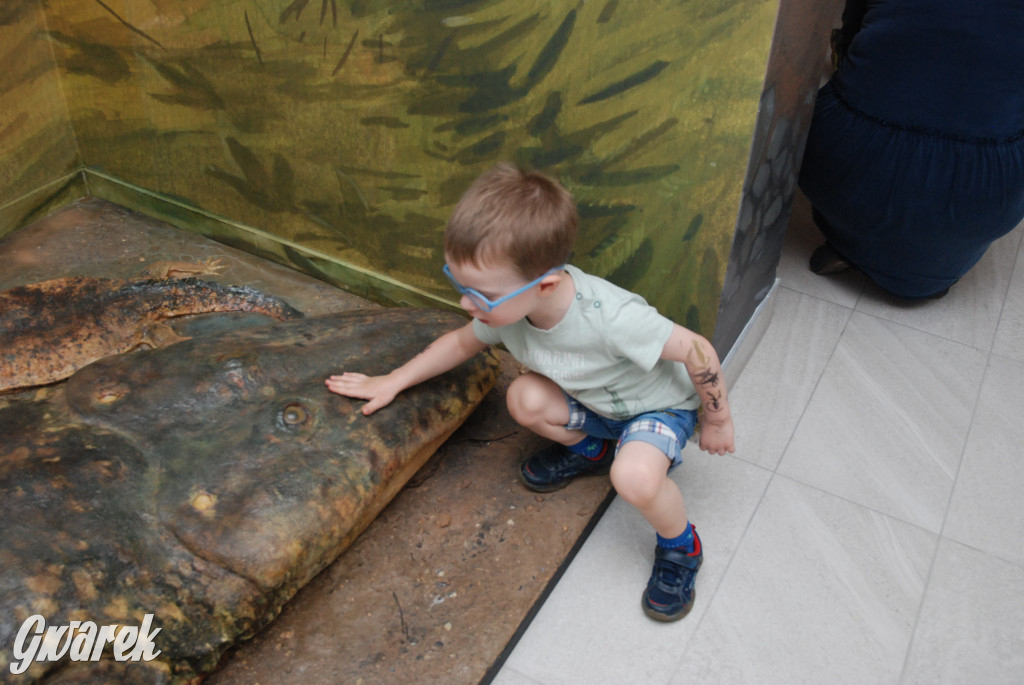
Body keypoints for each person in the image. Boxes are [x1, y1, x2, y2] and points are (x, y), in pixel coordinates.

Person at [325, 162, 735, 622]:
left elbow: (696, 348)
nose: (466, 303)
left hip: (655, 408)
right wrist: (392, 380)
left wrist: (716, 418)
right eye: (459, 285)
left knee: (635, 478)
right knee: (522, 397)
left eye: (480, 294)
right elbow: (461, 342)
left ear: (545, 285)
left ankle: (682, 546)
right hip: (595, 403)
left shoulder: (611, 318)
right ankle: (594, 451)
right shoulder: (511, 307)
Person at [798, 0, 1024, 299]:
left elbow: (848, 41)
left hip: (843, 163)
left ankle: (845, 246)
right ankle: (927, 275)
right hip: (977, 199)